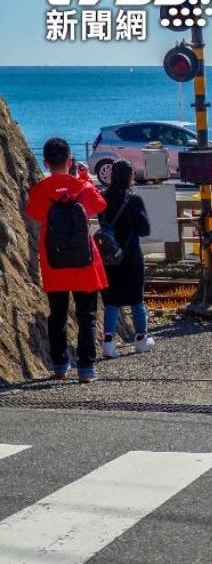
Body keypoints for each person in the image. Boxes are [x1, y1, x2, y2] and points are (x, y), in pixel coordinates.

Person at [24, 137, 108, 382]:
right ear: (69, 160)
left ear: (46, 163)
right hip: (83, 259)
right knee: (87, 315)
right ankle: (86, 368)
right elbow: (99, 205)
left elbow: (34, 213)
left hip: (54, 259)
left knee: (57, 314)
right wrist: (83, 179)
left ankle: (60, 365)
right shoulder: (82, 186)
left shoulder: (40, 190)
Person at [99, 160, 153, 359]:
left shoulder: (102, 198)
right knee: (136, 298)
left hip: (109, 255)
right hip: (130, 254)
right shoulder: (134, 200)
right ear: (129, 177)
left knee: (111, 300)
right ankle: (141, 340)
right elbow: (145, 229)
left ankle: (108, 343)